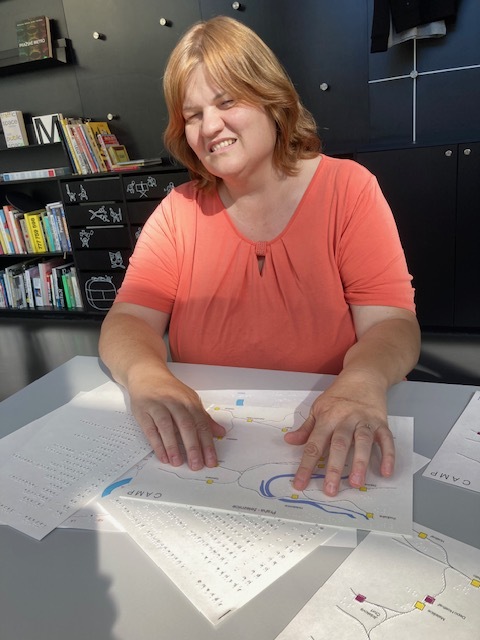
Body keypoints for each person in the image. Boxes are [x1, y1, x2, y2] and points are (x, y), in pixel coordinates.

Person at [99, 15, 420, 497]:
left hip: (327, 434)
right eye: (192, 115)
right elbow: (128, 320)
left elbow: (392, 324)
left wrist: (364, 379)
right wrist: (146, 375)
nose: (211, 126)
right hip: (210, 447)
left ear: (272, 99)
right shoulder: (178, 211)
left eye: (227, 101)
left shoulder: (349, 189)